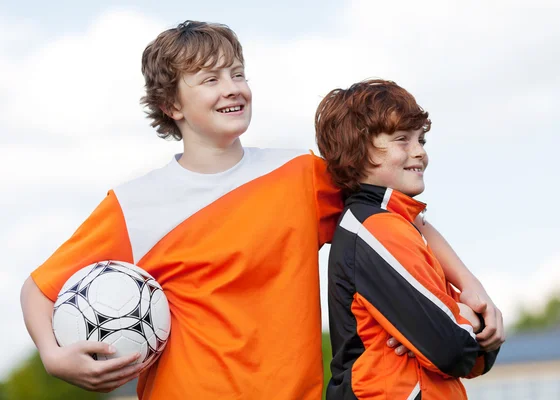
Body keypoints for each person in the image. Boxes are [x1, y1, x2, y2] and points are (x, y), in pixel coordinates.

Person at [20, 21, 504, 399]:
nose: (232, 88)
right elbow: (39, 291)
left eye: (238, 73)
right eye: (210, 79)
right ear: (172, 104)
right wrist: (53, 356)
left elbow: (398, 219)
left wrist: (469, 286)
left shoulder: (300, 175)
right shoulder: (134, 205)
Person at [315, 79, 500, 399]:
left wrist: (459, 320)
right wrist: (466, 317)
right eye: (402, 139)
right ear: (358, 149)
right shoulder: (374, 229)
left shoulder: (401, 227)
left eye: (421, 140)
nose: (420, 153)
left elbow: (475, 358)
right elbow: (452, 349)